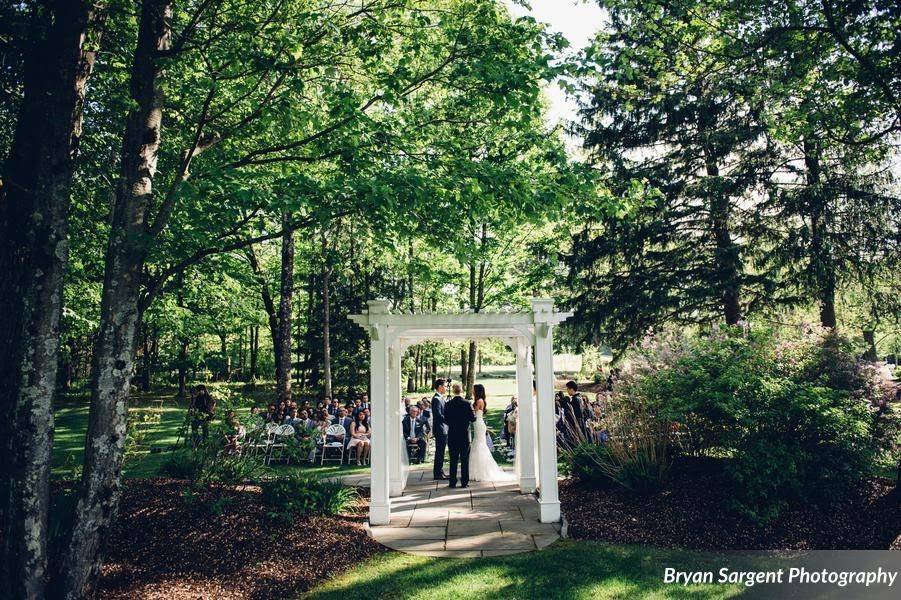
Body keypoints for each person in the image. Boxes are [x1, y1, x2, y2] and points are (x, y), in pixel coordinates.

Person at [468, 384, 515, 482]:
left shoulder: (479, 401)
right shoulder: (478, 400)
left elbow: (473, 413)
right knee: (477, 443)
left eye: (473, 390)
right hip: (477, 423)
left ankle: (482, 471)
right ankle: (476, 470)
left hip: (478, 422)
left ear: (477, 391)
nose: (472, 391)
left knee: (479, 444)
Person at [444, 383, 476, 488]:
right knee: (464, 459)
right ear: (461, 391)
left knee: (453, 459)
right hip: (464, 434)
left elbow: (446, 420)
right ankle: (464, 482)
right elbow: (473, 418)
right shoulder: (467, 403)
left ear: (453, 391)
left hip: (452, 434)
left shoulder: (448, 404)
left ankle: (452, 482)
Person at [431, 378, 449, 480]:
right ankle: (437, 473)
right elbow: (438, 415)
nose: (446, 388)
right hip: (440, 429)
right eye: (445, 386)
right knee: (439, 451)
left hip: (443, 428)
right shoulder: (436, 399)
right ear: (440, 387)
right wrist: (449, 421)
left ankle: (440, 471)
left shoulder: (441, 398)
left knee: (441, 451)